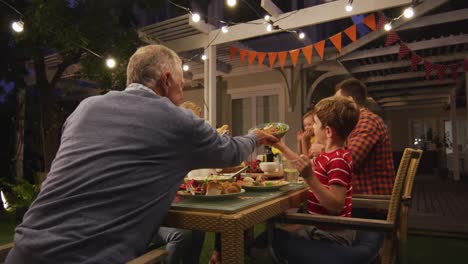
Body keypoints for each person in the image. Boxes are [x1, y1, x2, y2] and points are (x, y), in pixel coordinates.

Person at [6, 44, 278, 264]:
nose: (182, 97)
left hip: (23, 251)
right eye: (181, 86)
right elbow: (230, 152)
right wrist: (256, 136)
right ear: (167, 79)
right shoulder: (177, 120)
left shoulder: (85, 109)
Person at [273, 95, 360, 246]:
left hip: (331, 234)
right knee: (274, 233)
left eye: (315, 123)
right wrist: (280, 145)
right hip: (320, 226)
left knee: (270, 239)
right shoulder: (327, 155)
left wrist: (310, 178)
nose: (312, 127)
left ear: (328, 131)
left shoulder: (338, 160)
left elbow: (336, 205)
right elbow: (301, 163)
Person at [310, 78, 394, 198]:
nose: (334, 106)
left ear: (349, 101)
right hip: (358, 196)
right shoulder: (356, 122)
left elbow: (350, 160)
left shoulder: (367, 121)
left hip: (371, 200)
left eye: (337, 101)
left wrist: (323, 149)